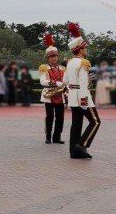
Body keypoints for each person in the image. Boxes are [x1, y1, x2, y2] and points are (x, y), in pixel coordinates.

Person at [64, 23, 100, 159]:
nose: (86, 49)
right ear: (79, 49)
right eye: (85, 47)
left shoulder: (70, 62)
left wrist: (74, 89)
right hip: (82, 97)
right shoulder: (84, 63)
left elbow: (66, 80)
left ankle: (74, 151)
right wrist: (84, 100)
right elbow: (83, 83)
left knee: (76, 124)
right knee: (95, 121)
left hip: (73, 96)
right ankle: (82, 145)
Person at [39, 34, 66, 144]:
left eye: (55, 56)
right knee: (50, 116)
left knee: (60, 117)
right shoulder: (44, 68)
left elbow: (66, 81)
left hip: (60, 95)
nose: (54, 58)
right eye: (52, 56)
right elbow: (42, 81)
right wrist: (55, 83)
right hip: (48, 95)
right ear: (48, 58)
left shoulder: (63, 68)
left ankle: (57, 137)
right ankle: (48, 136)